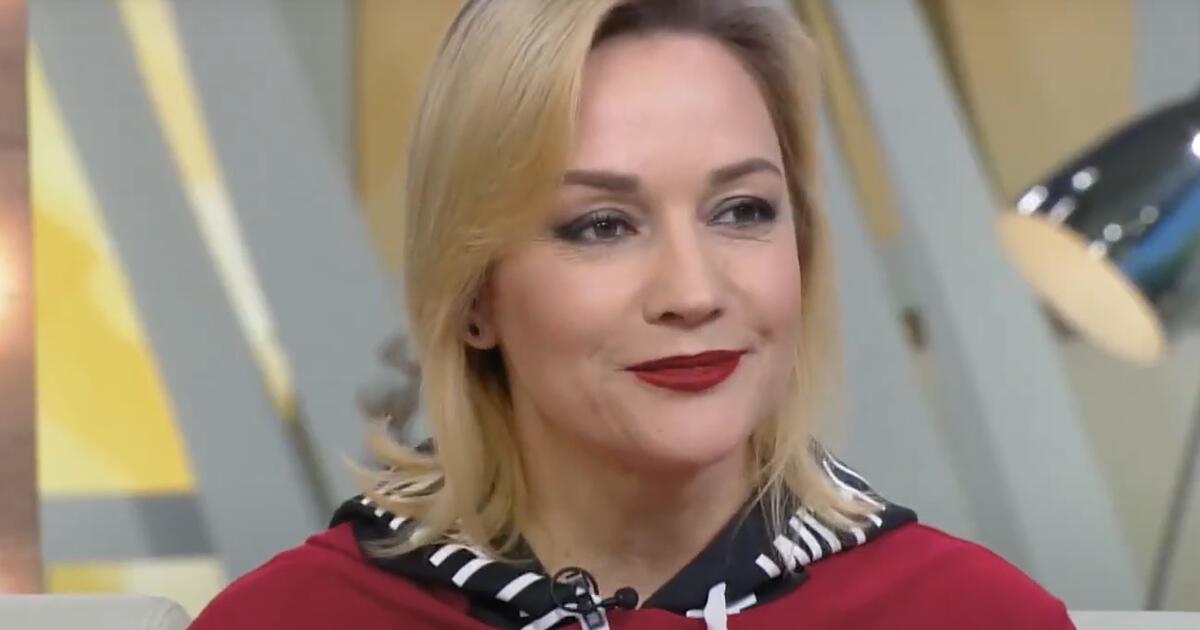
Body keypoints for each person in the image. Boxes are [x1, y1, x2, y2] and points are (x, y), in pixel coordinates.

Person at [190, 0, 1074, 628]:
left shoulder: (972, 615)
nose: (693, 291)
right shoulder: (295, 618)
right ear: (474, 293)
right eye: (602, 225)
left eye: (742, 211)